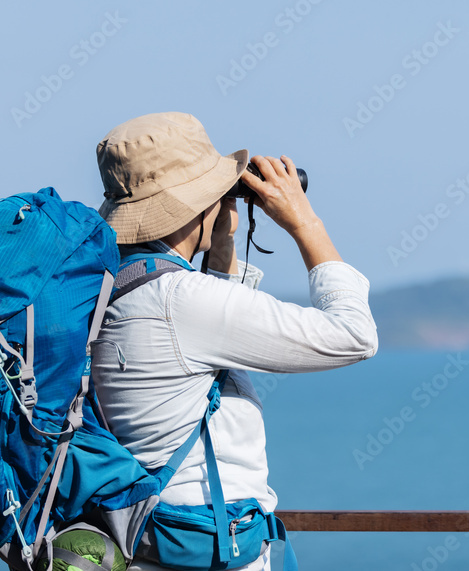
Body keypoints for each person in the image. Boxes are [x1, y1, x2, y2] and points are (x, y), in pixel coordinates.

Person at [90, 112, 378, 570]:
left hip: (145, 543)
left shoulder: (110, 288)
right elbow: (353, 336)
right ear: (192, 203)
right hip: (204, 552)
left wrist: (220, 250)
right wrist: (304, 221)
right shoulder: (182, 301)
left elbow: (199, 355)